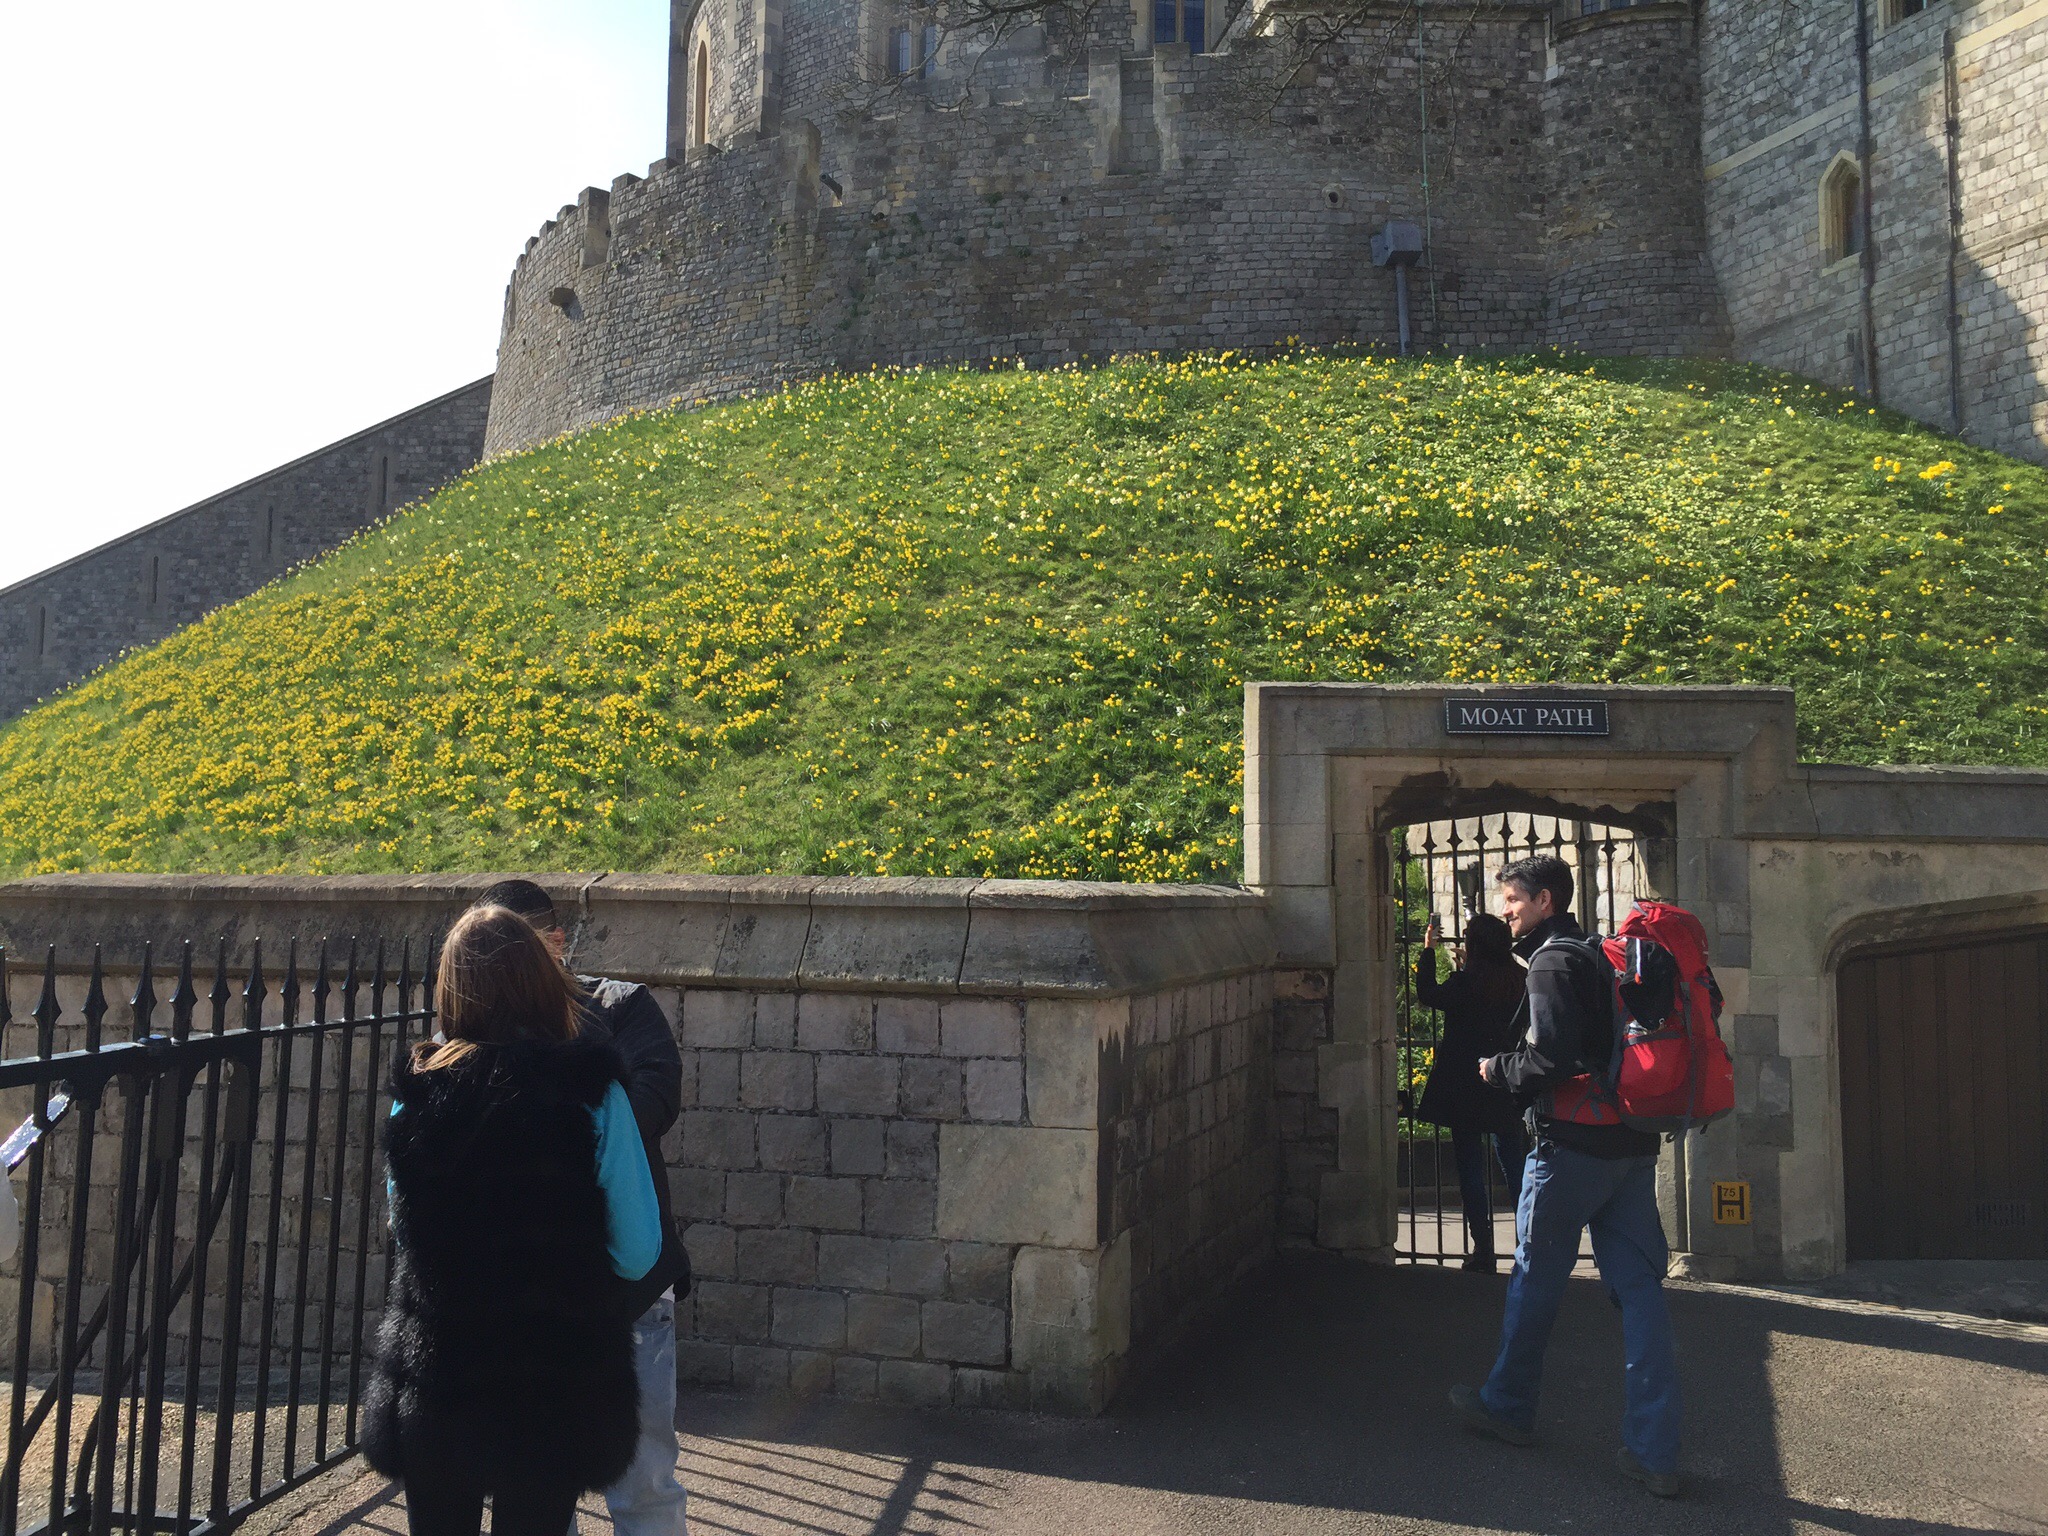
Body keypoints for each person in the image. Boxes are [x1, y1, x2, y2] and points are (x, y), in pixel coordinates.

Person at [364, 905, 661, 1536]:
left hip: (442, 1372)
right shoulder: (592, 1093)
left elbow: (403, 1229)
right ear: (540, 982)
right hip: (552, 1380)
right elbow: (639, 1249)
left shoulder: (417, 1092)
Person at [1448, 854, 1683, 1500]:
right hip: (1631, 1144)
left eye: (1513, 899)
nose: (1505, 910)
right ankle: (1656, 1451)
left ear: (1545, 900)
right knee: (1641, 1294)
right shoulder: (1603, 953)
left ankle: (1508, 1406)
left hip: (1571, 1149)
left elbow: (1548, 1058)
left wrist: (1498, 1070)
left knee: (1536, 1279)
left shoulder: (1553, 963)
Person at [475, 880, 692, 1536]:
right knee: (537, 1489)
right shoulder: (475, 1031)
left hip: (628, 1290)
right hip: (525, 1297)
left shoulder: (621, 1006)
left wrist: (562, 1133)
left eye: (518, 950)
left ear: (557, 942)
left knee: (644, 1483)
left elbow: (657, 1095)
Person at [1414, 911, 1528, 1271]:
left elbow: (1427, 993)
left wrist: (1429, 950)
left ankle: (1483, 1249)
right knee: (1515, 1165)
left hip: (1464, 1084)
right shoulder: (1519, 980)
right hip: (1505, 1078)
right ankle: (1529, 1244)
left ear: (1474, 946)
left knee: (1470, 1168)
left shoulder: (1466, 984)